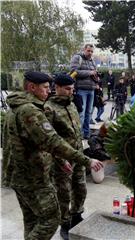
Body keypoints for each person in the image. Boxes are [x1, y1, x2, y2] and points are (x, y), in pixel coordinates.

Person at [2, 71, 103, 240]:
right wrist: (87, 160)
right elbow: (52, 141)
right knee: (51, 218)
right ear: (32, 87)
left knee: (32, 220)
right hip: (33, 176)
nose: (48, 91)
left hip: (21, 175)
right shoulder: (29, 111)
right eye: (45, 88)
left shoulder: (17, 107)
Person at [44, 74, 92, 240]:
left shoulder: (71, 104)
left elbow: (76, 133)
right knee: (63, 194)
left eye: (72, 89)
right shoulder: (48, 108)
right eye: (67, 89)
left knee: (81, 189)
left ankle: (77, 216)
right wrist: (60, 160)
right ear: (56, 87)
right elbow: (49, 140)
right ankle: (64, 224)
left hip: (78, 156)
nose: (71, 92)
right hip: (62, 160)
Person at [70, 44, 98, 139]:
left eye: (92, 51)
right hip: (81, 89)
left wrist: (96, 79)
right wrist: (90, 73)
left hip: (91, 89)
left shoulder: (92, 61)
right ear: (84, 50)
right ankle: (79, 134)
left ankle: (86, 133)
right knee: (81, 113)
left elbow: (94, 73)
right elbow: (74, 72)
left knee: (89, 113)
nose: (90, 53)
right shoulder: (77, 57)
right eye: (88, 51)